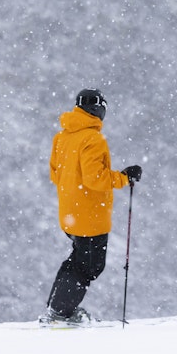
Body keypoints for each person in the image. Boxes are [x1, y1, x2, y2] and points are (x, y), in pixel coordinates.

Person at [40, 88, 143, 326]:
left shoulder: (62, 137)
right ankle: (60, 313)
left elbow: (55, 174)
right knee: (90, 266)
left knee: (77, 261)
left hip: (70, 213)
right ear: (99, 109)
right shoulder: (92, 138)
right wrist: (124, 178)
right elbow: (95, 178)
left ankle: (57, 310)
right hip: (89, 215)